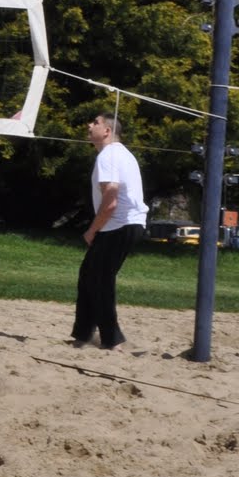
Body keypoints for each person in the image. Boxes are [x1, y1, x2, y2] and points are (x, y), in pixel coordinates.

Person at [70, 112, 148, 352]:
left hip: (118, 225)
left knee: (99, 280)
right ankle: (83, 334)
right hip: (126, 225)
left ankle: (113, 340)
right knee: (89, 276)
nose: (89, 125)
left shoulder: (109, 154)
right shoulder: (121, 154)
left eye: (95, 122)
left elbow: (111, 199)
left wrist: (92, 230)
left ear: (107, 131)